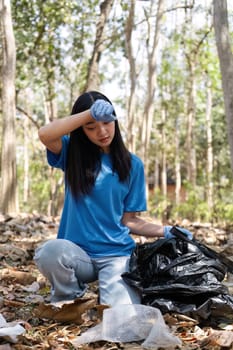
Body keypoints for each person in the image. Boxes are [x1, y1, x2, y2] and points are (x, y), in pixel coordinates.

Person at [34, 91, 192, 306]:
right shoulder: (72, 154)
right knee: (49, 252)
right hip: (77, 255)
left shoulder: (133, 165)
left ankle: (110, 297)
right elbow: (45, 134)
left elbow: (130, 221)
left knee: (120, 320)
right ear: (82, 129)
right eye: (91, 127)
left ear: (115, 120)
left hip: (116, 255)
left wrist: (166, 231)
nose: (101, 131)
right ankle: (69, 301)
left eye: (107, 122)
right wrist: (89, 113)